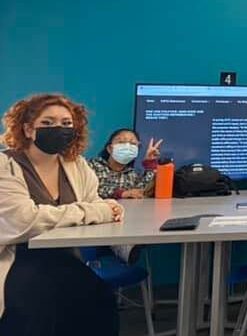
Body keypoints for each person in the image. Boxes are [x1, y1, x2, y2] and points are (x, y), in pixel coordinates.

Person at [0, 94, 124, 335]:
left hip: (66, 259)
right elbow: (24, 221)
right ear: (28, 129)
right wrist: (94, 211)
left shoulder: (76, 165)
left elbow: (97, 204)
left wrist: (101, 209)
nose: (58, 129)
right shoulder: (5, 164)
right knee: (38, 309)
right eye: (47, 123)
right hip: (17, 261)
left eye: (66, 124)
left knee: (101, 303)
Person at [88, 128, 163, 263]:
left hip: (127, 219)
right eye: (121, 142)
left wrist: (149, 163)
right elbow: (93, 190)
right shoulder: (93, 165)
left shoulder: (132, 173)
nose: (127, 146)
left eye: (133, 143)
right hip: (99, 218)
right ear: (110, 149)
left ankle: (129, 244)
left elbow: (142, 191)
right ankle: (123, 246)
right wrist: (122, 193)